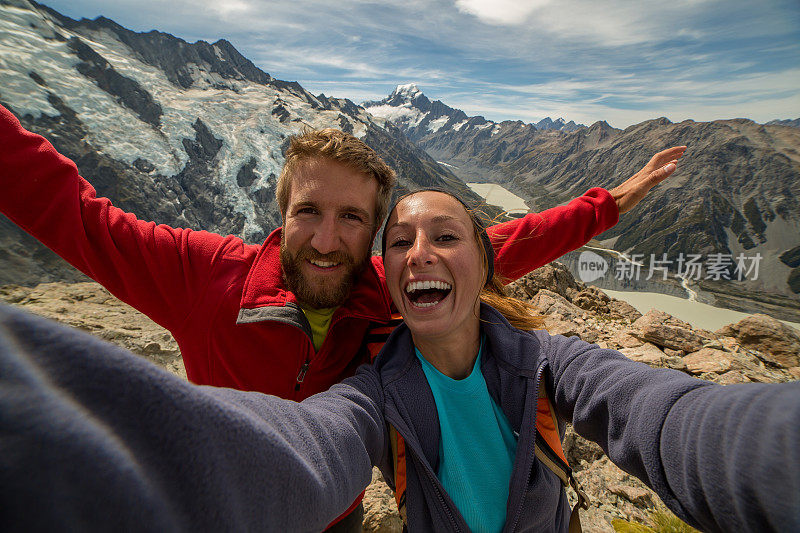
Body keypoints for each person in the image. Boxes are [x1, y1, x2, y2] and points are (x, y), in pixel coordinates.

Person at [0, 103, 686, 529]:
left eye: (352, 218)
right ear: (282, 214)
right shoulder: (205, 275)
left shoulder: (386, 285)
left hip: (336, 514)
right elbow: (77, 214)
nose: (327, 240)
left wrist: (611, 203)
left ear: (374, 233)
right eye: (309, 213)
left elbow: (499, 242)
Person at [1, 190, 798, 532]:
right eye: (401, 241)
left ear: (486, 265)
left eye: (446, 237)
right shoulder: (373, 391)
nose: (422, 252)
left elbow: (670, 417)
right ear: (384, 276)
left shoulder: (550, 362)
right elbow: (308, 447)